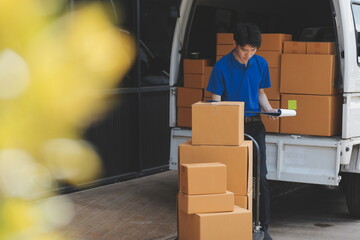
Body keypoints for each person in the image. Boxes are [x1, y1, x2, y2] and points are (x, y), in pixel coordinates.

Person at [206, 22, 276, 240]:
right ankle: (230, 223)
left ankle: (263, 229)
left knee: (260, 177)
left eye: (253, 50)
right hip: (231, 126)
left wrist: (270, 110)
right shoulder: (221, 67)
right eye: (245, 50)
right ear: (234, 43)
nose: (249, 55)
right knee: (233, 178)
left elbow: (260, 92)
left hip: (255, 125)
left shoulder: (260, 63)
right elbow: (214, 103)